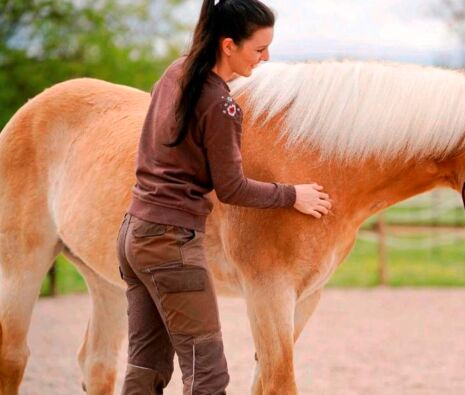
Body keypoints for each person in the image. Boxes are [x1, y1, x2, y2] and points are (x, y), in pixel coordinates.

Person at [115, 0, 332, 393]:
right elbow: (231, 188)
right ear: (228, 45)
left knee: (146, 366)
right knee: (208, 374)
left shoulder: (175, 74)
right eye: (259, 49)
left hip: (133, 233)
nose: (266, 58)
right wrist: (292, 194)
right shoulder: (222, 104)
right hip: (171, 242)